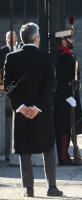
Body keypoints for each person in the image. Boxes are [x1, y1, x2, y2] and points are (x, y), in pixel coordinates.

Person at [3, 22, 63, 197]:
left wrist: (21, 107)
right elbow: (50, 85)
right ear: (36, 38)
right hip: (41, 110)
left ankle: (29, 189)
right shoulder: (46, 57)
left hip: (21, 112)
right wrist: (36, 106)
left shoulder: (11, 58)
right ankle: (52, 187)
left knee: (24, 149)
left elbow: (8, 86)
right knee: (49, 147)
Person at [54, 29, 82, 166]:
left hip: (71, 96)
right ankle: (62, 156)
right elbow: (60, 80)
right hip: (64, 98)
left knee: (70, 127)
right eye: (70, 39)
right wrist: (67, 96)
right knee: (64, 129)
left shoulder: (69, 55)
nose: (73, 41)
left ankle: (65, 154)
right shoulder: (62, 56)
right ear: (63, 41)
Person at [0, 31, 18, 160]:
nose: (11, 39)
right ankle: (5, 151)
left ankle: (16, 150)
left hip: (19, 89)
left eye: (13, 37)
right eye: (8, 38)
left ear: (17, 38)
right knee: (5, 121)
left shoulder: (21, 49)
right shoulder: (2, 51)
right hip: (6, 90)